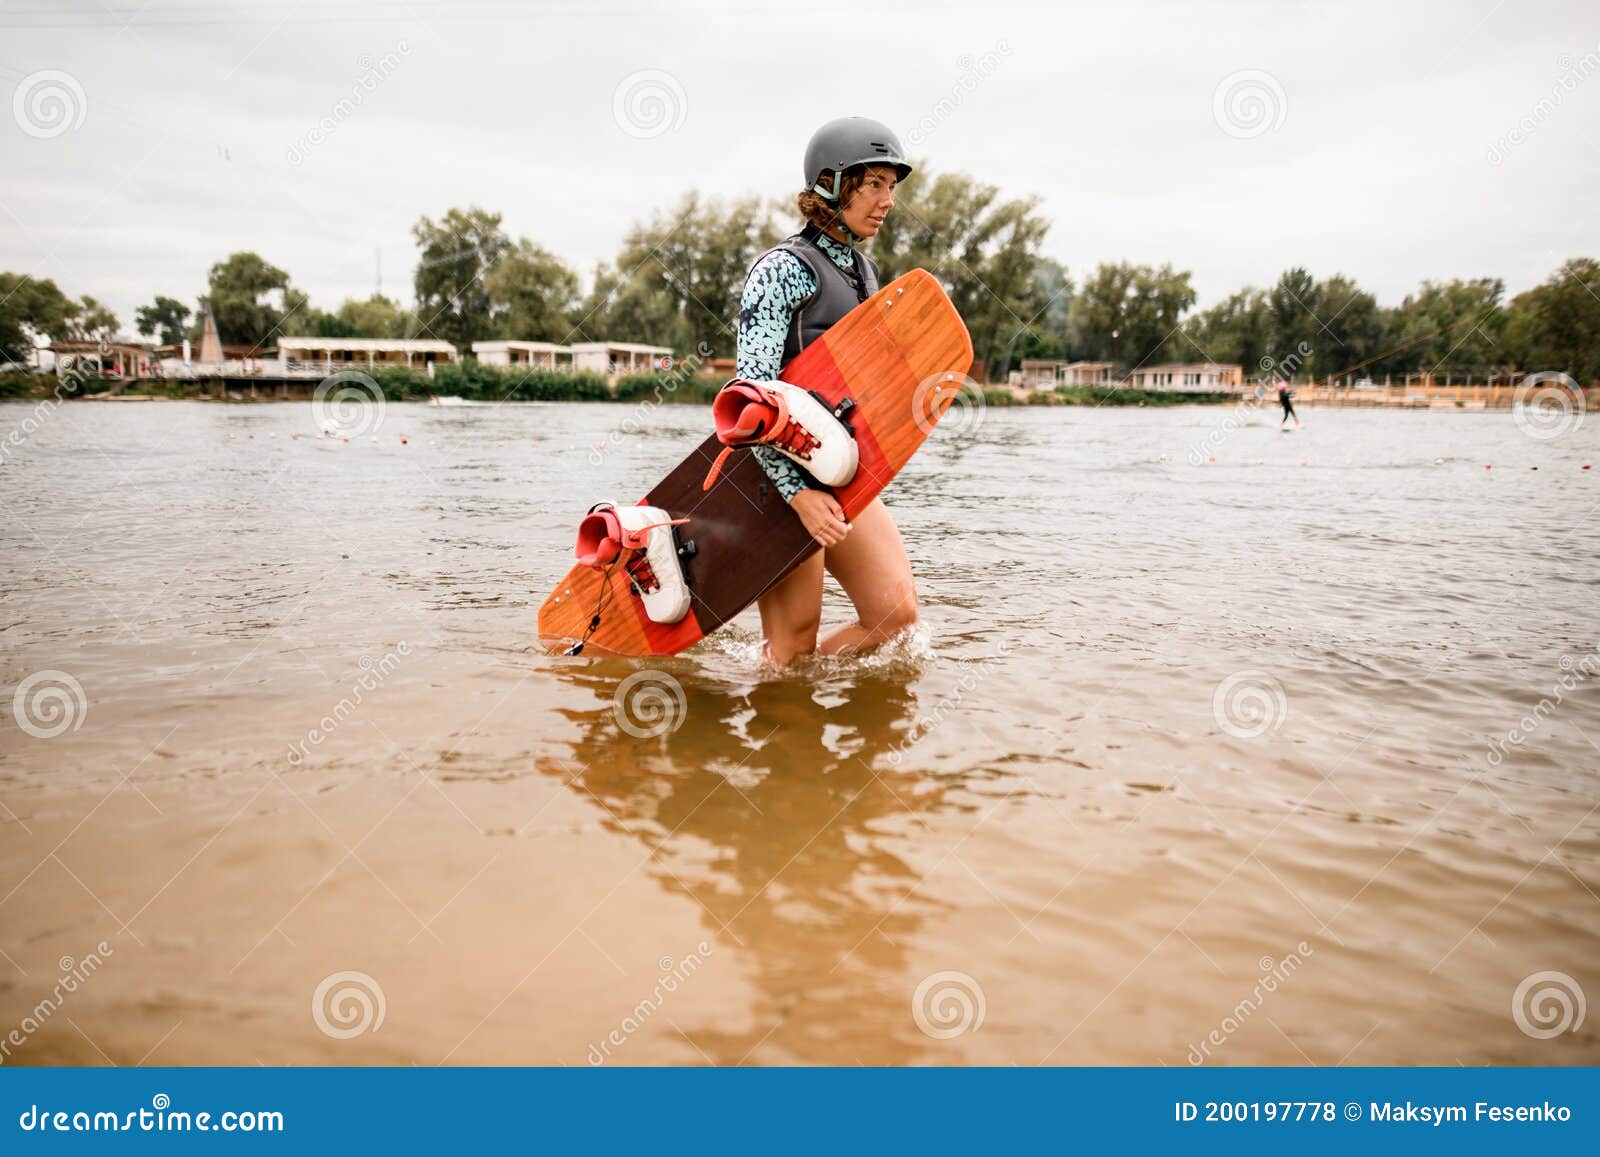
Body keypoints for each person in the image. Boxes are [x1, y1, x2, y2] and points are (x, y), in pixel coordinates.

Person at [736, 116, 918, 668]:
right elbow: (748, 400)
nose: (887, 200)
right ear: (833, 185)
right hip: (774, 477)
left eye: (892, 186)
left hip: (838, 470)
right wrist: (797, 493)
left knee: (896, 617)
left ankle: (798, 693)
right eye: (874, 184)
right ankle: (786, 724)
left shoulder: (866, 271)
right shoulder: (781, 269)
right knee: (793, 645)